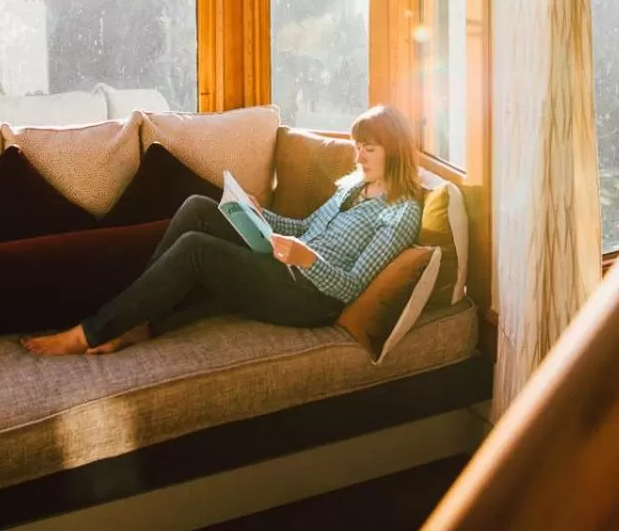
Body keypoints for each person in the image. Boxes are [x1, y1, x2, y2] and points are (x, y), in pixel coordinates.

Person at [21, 104, 423, 357]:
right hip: (288, 268)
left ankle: (90, 332)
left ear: (395, 150)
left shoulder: (400, 213)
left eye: (368, 149)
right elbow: (304, 227)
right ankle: (137, 317)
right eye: (357, 145)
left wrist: (308, 259)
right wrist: (259, 214)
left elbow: (353, 285)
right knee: (200, 208)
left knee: (197, 249)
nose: (358, 155)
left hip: (312, 298)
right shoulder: (355, 184)